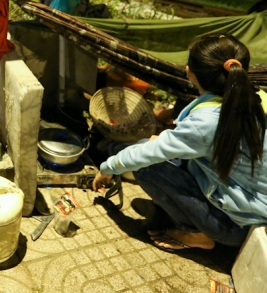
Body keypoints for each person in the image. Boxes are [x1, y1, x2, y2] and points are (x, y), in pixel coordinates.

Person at [93, 33, 267, 251]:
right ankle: (184, 212)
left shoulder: (207, 121)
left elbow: (146, 154)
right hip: (254, 207)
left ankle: (196, 234)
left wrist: (107, 168)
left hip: (235, 225)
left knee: (147, 165)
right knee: (153, 144)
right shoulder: (255, 96)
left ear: (189, 72)